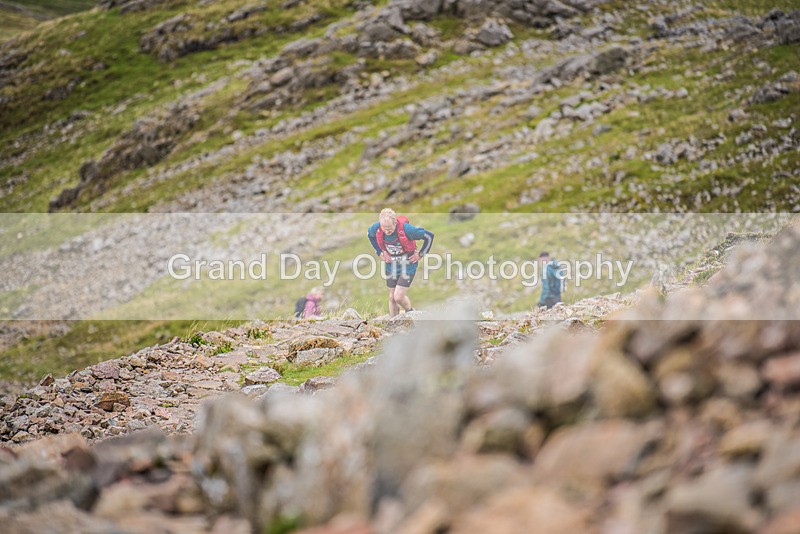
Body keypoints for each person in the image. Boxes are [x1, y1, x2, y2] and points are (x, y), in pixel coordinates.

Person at [367, 208, 434, 317]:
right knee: (392, 297)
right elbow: (370, 235)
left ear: (395, 222)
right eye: (384, 228)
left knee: (398, 296)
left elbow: (429, 236)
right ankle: (393, 324)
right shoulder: (377, 228)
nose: (387, 231)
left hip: (408, 265)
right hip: (391, 265)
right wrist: (379, 251)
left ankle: (411, 312)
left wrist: (421, 254)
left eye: (389, 228)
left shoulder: (407, 229)